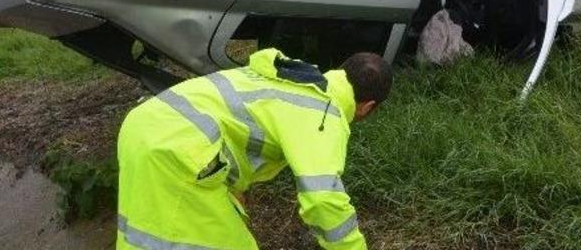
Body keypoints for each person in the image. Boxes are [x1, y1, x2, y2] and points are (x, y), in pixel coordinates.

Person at [116, 47, 393, 250]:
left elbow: (240, 123)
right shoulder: (323, 114)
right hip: (177, 148)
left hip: (145, 124)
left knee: (146, 234)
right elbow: (323, 200)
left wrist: (235, 190)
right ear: (367, 108)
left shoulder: (295, 76)